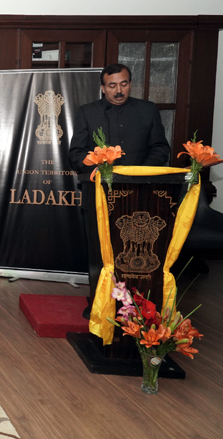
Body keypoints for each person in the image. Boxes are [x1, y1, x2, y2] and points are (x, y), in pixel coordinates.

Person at [69, 63, 171, 318]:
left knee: (136, 252)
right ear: (103, 88)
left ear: (130, 84)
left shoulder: (147, 110)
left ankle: (137, 307)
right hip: (99, 196)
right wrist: (98, 166)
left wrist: (137, 174)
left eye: (123, 84)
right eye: (112, 85)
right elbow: (76, 153)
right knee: (101, 252)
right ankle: (99, 304)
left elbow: (160, 148)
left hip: (141, 198)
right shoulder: (87, 112)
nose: (118, 90)